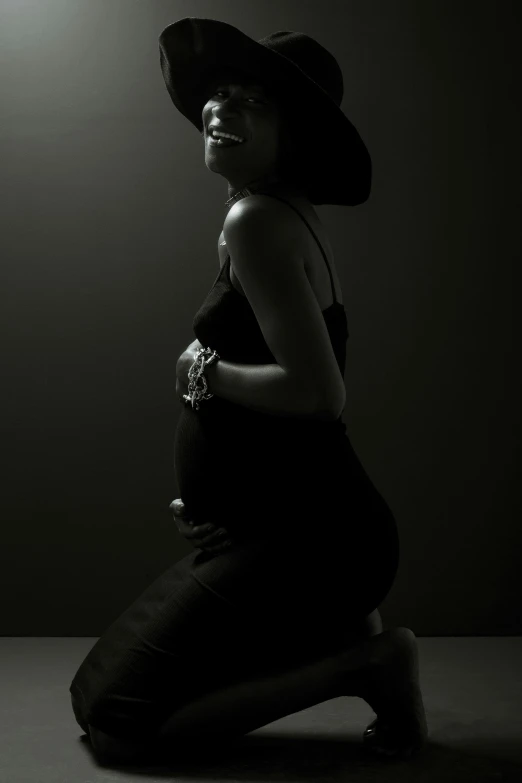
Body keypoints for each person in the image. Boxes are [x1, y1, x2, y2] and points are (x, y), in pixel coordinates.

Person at [69, 17, 428, 766]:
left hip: (317, 543)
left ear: (290, 131)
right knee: (91, 693)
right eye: (220, 94)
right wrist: (220, 497)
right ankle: (358, 641)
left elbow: (317, 394)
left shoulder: (256, 221)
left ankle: (366, 665)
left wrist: (201, 371)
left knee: (119, 725)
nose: (220, 109)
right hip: (289, 524)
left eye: (252, 102)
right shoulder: (280, 212)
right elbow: (296, 417)